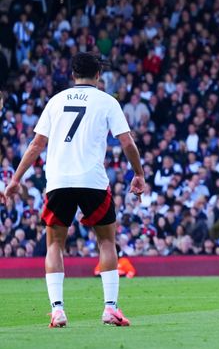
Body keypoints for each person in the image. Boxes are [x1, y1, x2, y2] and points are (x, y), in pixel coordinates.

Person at [0, 52, 145, 328]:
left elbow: (35, 145)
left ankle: (57, 310)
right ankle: (110, 308)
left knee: (55, 243)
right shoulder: (107, 102)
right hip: (92, 180)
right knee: (106, 241)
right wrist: (138, 173)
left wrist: (16, 179)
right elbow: (127, 142)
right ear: (98, 76)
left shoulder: (56, 101)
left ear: (72, 75)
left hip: (58, 181)